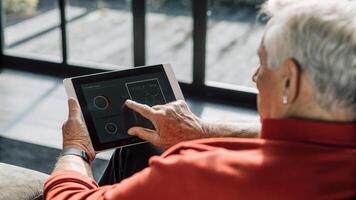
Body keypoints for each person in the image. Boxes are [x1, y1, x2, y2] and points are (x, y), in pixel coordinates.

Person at [44, 0, 356, 199]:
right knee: (142, 147)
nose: (255, 77)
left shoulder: (200, 172)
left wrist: (77, 150)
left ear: (290, 79)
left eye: (263, 62)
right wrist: (202, 130)